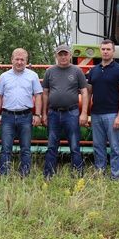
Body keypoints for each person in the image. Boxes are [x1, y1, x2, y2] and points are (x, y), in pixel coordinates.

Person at [42, 44, 89, 179]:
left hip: (72, 113)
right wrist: (44, 113)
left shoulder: (77, 71)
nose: (63, 57)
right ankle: (49, 175)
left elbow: (85, 93)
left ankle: (78, 175)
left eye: (65, 54)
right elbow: (45, 93)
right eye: (60, 54)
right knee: (52, 145)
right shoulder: (49, 72)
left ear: (70, 55)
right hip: (53, 113)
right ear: (56, 56)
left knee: (74, 146)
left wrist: (84, 112)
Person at [0, 48, 43, 176]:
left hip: (26, 116)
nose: (20, 62)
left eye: (22, 59)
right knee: (5, 148)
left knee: (26, 149)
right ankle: (4, 174)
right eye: (17, 59)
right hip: (7, 116)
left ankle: (25, 174)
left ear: (26, 61)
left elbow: (38, 95)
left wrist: (37, 114)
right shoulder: (4, 77)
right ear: (12, 60)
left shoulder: (33, 76)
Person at [87, 39, 119, 179]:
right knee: (98, 147)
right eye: (103, 49)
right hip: (96, 114)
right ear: (100, 51)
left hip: (112, 114)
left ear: (113, 51)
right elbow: (89, 92)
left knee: (115, 147)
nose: (105, 52)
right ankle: (100, 173)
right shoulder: (94, 70)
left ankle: (115, 176)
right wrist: (87, 113)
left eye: (108, 49)